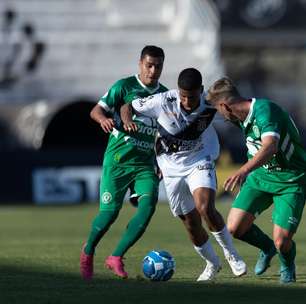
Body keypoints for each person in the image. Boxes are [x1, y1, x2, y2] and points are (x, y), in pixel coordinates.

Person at [121, 68, 247, 281]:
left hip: (200, 160)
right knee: (190, 222)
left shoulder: (210, 104)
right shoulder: (162, 101)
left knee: (205, 207)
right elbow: (127, 107)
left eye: (192, 96)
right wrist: (126, 121)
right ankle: (211, 263)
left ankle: (232, 254)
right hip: (170, 169)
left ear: (201, 90)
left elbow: (237, 109)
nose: (187, 101)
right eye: (183, 96)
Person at [206, 77, 306, 283]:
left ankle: (287, 264)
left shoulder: (265, 111)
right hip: (260, 177)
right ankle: (267, 248)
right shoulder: (239, 116)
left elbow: (270, 147)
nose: (221, 116)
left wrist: (242, 171)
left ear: (225, 105)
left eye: (219, 110)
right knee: (233, 228)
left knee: (283, 241)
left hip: (291, 180)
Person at [80, 45, 168, 280]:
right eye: (149, 65)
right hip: (118, 162)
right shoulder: (124, 86)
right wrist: (103, 120)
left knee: (148, 207)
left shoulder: (165, 95)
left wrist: (160, 161)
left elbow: (164, 133)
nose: (153, 70)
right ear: (140, 64)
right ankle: (88, 251)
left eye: (158, 66)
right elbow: (95, 111)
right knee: (109, 215)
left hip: (144, 165)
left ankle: (116, 256)